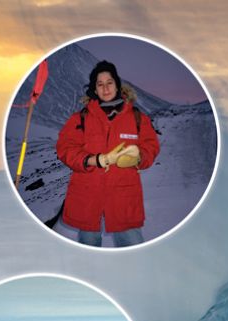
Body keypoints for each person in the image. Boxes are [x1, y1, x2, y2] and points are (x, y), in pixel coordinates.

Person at [56, 60, 160, 247]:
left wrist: (139, 157)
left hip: (123, 197)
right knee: (90, 252)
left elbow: (151, 147)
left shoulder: (137, 118)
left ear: (118, 85)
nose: (105, 88)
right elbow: (65, 148)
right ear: (94, 90)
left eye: (109, 82)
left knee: (132, 249)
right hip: (88, 196)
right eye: (100, 84)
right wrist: (94, 160)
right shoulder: (81, 118)